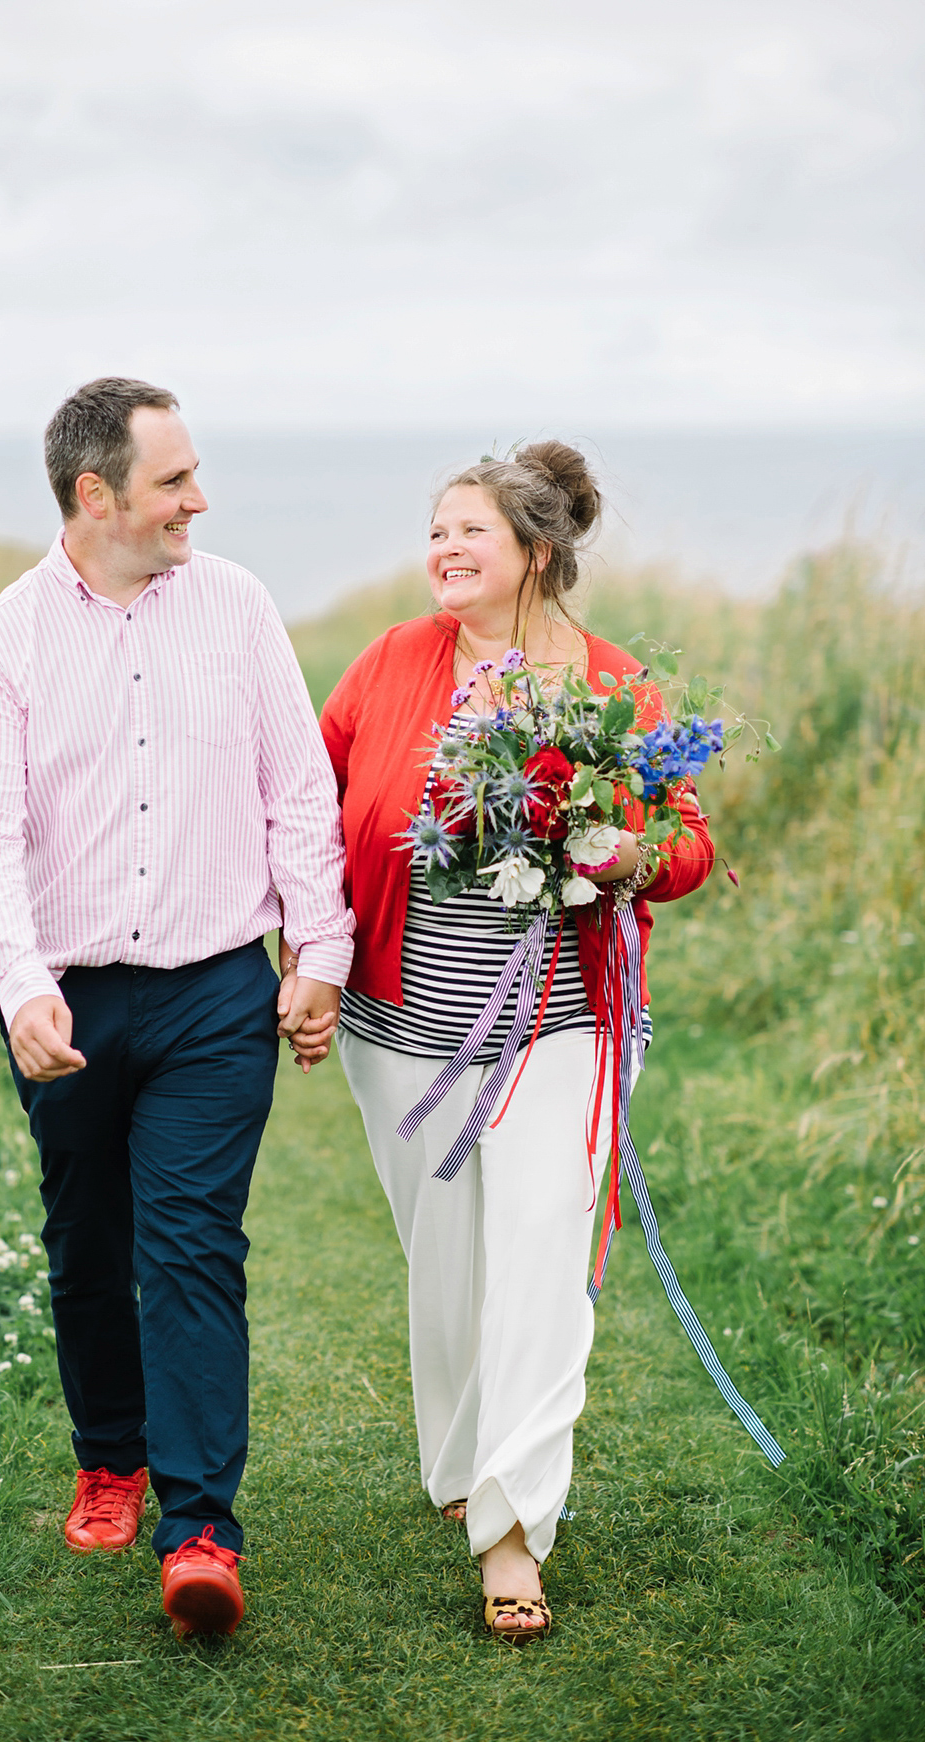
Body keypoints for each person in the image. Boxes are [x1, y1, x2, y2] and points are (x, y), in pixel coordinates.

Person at [0, 377, 352, 1639]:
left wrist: (317, 951)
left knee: (188, 1245)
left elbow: (298, 787)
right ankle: (109, 1455)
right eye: (174, 481)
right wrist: (18, 984)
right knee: (88, 1241)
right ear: (96, 494)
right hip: (64, 1001)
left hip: (217, 996)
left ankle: (202, 1528)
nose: (199, 500)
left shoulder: (237, 608)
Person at [319, 442, 713, 1641]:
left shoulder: (616, 686)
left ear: (535, 552)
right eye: (436, 529)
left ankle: (512, 1529)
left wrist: (622, 851)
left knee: (539, 1257)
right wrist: (304, 955)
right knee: (446, 1265)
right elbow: (306, 808)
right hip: (403, 1027)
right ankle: (462, 1463)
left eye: (469, 532)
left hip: (564, 1024)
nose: (443, 548)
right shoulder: (390, 664)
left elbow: (686, 841)